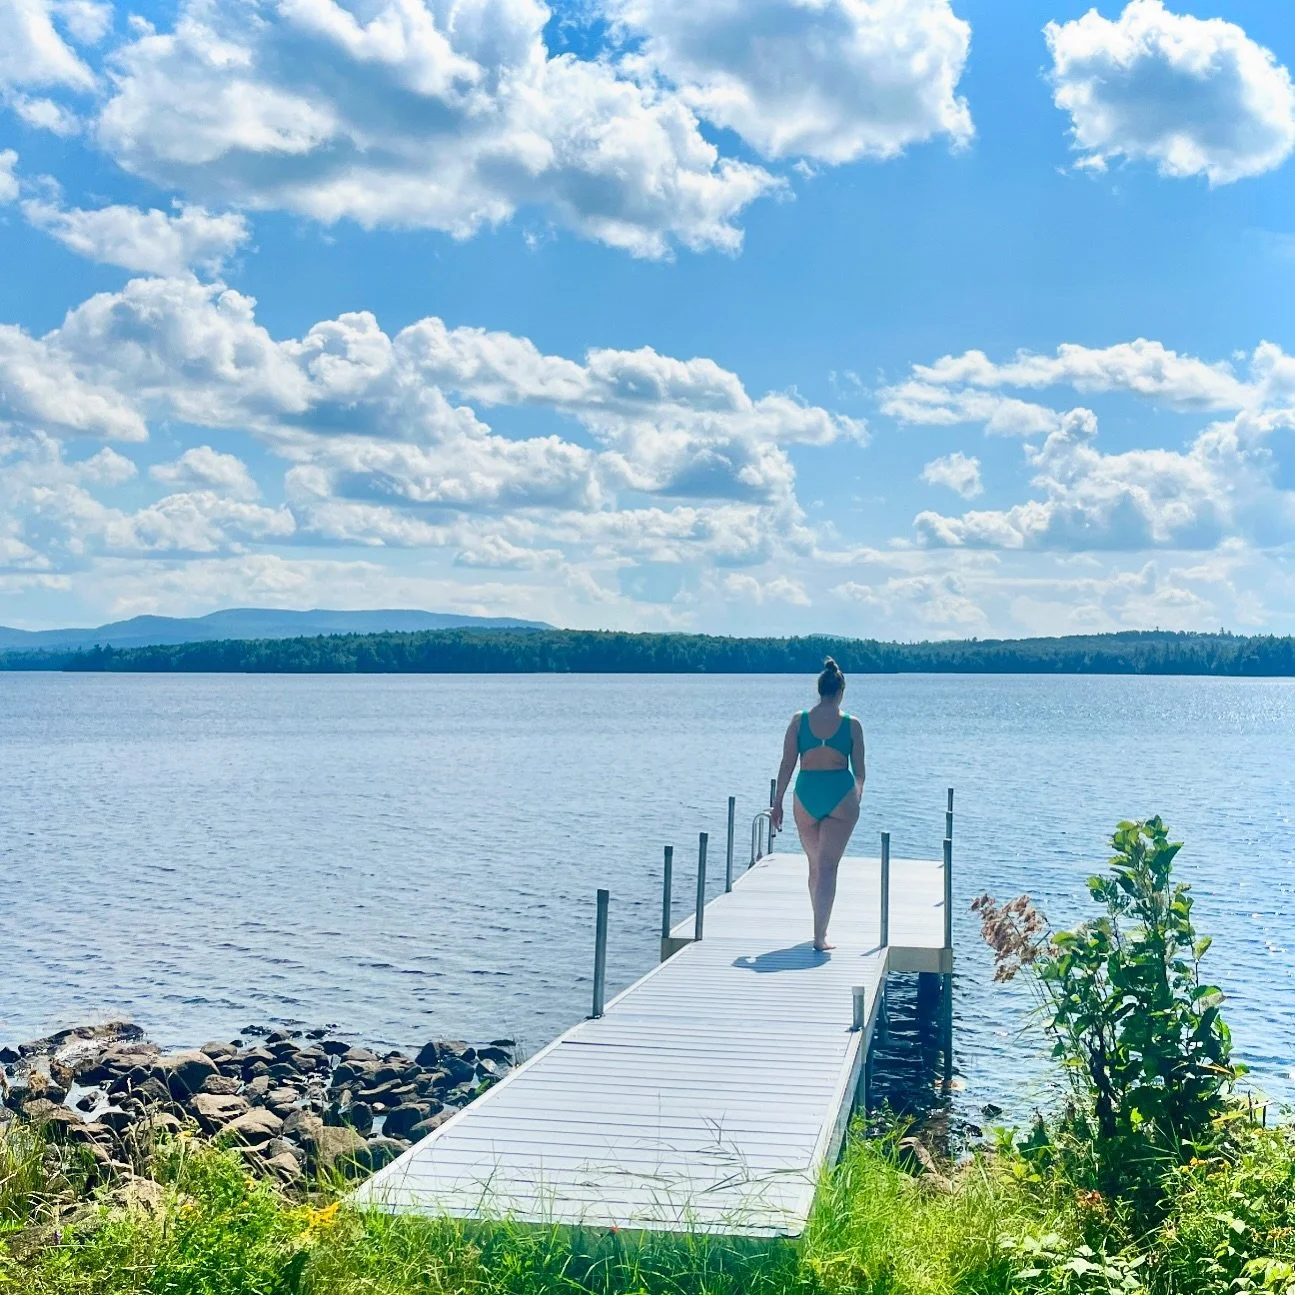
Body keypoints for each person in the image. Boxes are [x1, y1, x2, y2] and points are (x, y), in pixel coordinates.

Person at [771, 657, 866, 951]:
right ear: (841, 692)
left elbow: (787, 763)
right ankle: (819, 935)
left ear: (819, 689)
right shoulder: (852, 725)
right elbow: (860, 771)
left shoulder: (799, 721)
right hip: (840, 794)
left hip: (806, 794)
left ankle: (819, 927)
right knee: (827, 867)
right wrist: (856, 798)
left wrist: (777, 803)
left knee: (815, 865)